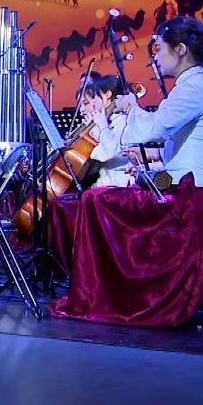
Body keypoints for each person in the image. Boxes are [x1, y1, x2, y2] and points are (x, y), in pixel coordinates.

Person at [54, 17, 203, 327]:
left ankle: (104, 295)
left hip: (193, 193)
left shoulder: (194, 88)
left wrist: (130, 107)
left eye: (160, 49)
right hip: (183, 181)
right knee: (112, 192)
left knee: (96, 199)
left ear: (180, 49)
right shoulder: (194, 86)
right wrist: (143, 174)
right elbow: (169, 151)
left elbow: (153, 129)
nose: (156, 57)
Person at [47, 75, 135, 271]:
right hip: (102, 186)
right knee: (58, 202)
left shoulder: (122, 121)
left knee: (61, 205)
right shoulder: (107, 122)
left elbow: (108, 153)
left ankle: (76, 266)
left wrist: (94, 134)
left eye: (93, 99)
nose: (89, 105)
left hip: (119, 188)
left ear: (107, 95)